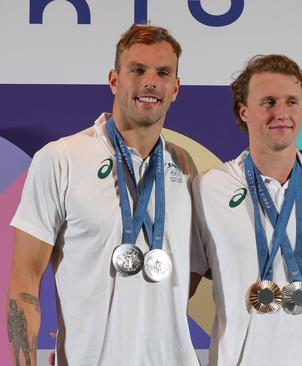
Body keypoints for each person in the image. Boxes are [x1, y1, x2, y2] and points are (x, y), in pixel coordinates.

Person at [7, 24, 200, 366]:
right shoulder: (61, 158)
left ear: (176, 88)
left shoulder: (183, 166)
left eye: (163, 73)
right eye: (137, 70)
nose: (150, 82)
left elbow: (199, 264)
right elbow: (25, 277)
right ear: (114, 80)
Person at [190, 54, 302, 365]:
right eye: (269, 102)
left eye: (292, 101)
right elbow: (185, 284)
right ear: (244, 111)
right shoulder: (209, 187)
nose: (282, 113)